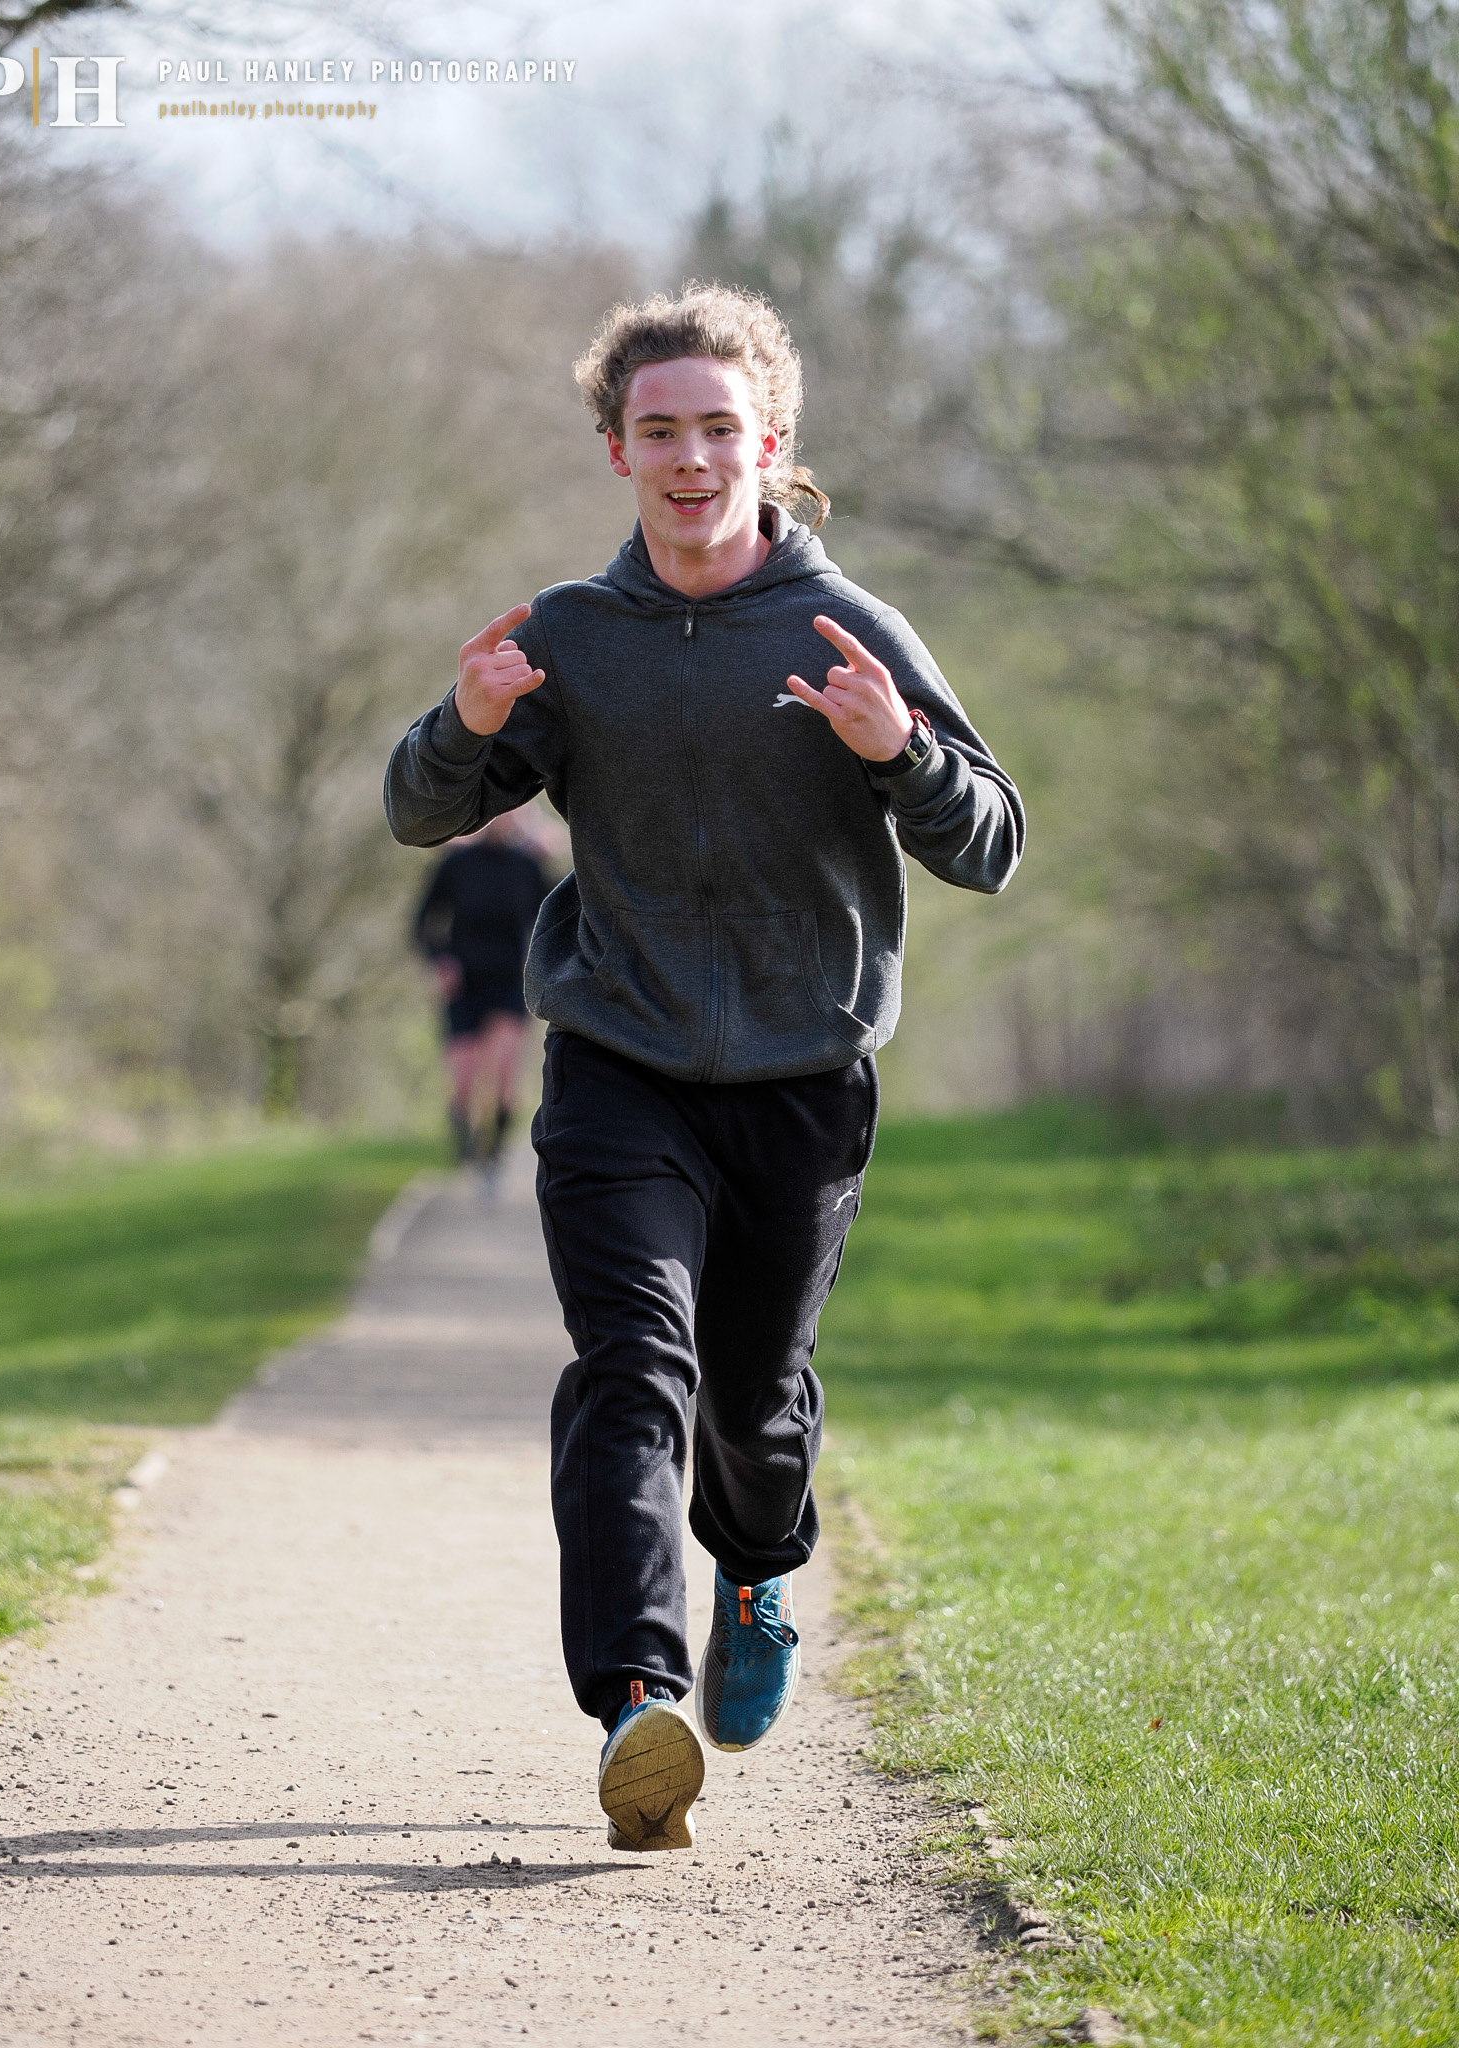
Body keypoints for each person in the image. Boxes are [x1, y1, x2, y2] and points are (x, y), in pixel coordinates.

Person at [385, 283, 1024, 1852]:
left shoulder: (846, 629)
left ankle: (754, 1571)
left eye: (716, 429)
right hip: (618, 1061)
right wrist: (462, 725)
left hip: (804, 1078)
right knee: (631, 1369)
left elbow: (992, 844)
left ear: (769, 442)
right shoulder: (569, 637)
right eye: (657, 429)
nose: (689, 456)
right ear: (617, 448)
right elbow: (419, 809)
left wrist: (900, 754)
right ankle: (635, 1704)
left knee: (750, 1407)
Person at [411, 811, 550, 1178]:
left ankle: (495, 1154)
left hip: (508, 983)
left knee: (505, 1073)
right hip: (463, 984)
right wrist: (440, 962)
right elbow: (421, 922)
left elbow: (558, 915)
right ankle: (466, 1153)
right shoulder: (455, 865)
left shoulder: (528, 866)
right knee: (463, 1079)